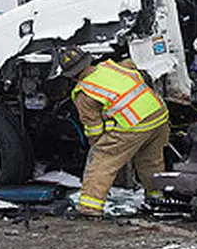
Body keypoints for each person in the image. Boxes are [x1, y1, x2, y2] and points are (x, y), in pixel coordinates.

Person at [59, 45, 170, 217]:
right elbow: (135, 67)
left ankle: (89, 208)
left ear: (71, 76)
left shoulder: (84, 92)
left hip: (135, 123)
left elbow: (93, 128)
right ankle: (156, 198)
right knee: (151, 161)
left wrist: (99, 145)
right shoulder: (112, 66)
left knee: (102, 161)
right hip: (158, 114)